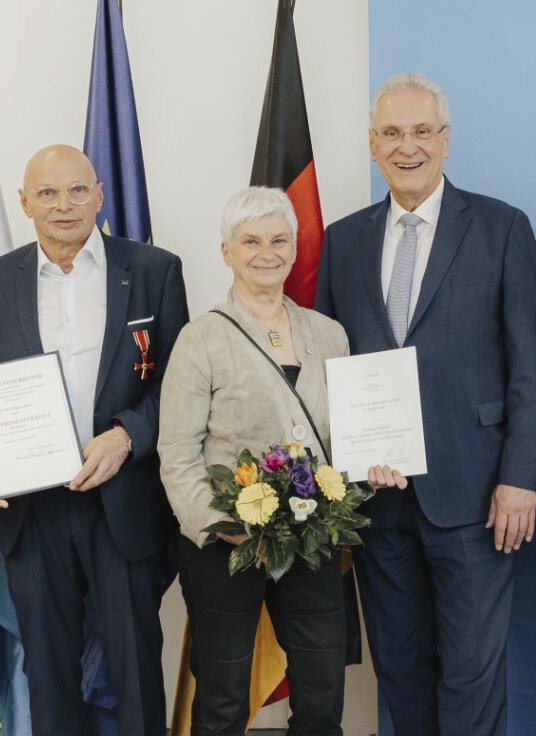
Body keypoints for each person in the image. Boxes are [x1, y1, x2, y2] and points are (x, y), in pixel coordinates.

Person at [313, 73, 536, 736]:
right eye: (392, 133)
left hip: (476, 496)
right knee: (400, 670)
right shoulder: (343, 239)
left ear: (445, 141)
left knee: (472, 671)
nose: (407, 146)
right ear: (371, 145)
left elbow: (529, 368)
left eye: (421, 132)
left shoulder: (502, 227)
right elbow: (330, 368)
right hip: (376, 502)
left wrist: (520, 477)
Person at [161, 187, 402, 735]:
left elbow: (348, 434)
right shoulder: (200, 339)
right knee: (222, 694)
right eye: (250, 241)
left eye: (278, 240)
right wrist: (218, 525)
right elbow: (177, 454)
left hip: (312, 541)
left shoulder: (329, 333)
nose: (265, 253)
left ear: (295, 249)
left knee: (321, 692)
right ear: (227, 251)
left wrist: (376, 462)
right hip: (225, 545)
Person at [0, 144, 187, 735]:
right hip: (32, 508)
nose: (63, 205)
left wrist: (126, 438)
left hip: (123, 499)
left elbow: (180, 383)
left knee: (135, 663)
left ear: (100, 194)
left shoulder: (153, 269)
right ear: (24, 202)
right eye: (46, 193)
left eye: (77, 190)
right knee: (49, 670)